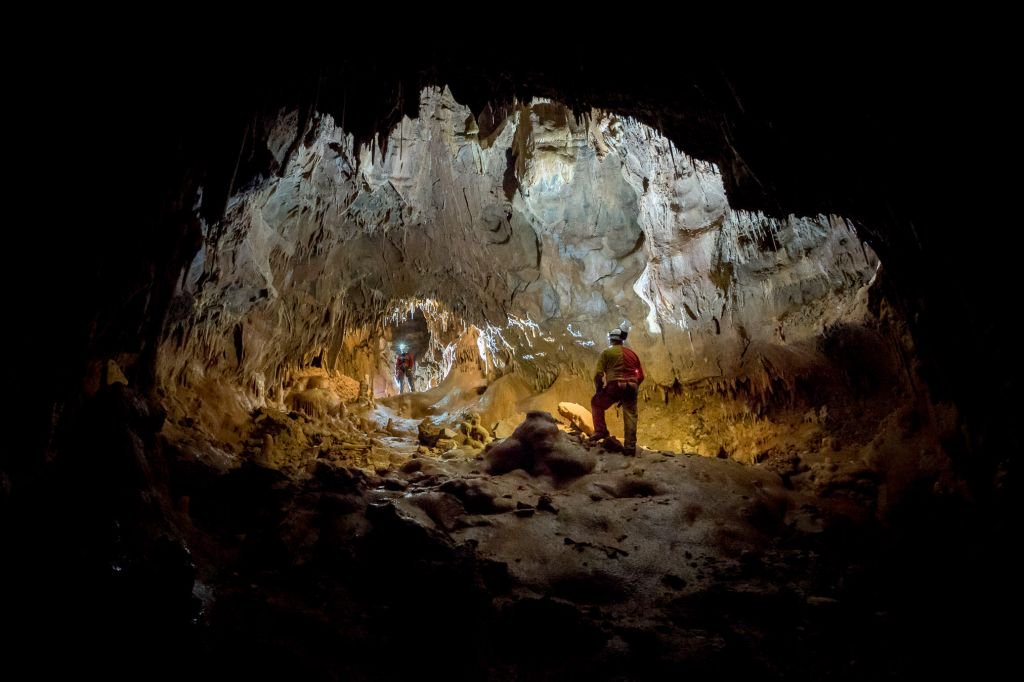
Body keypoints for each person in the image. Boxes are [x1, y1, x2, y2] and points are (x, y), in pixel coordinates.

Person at [590, 326, 644, 456]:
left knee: (596, 403)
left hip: (615, 385)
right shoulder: (632, 354)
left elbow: (598, 375)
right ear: (622, 340)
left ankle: (601, 431)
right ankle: (630, 448)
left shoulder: (607, 353)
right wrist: (633, 388)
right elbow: (641, 376)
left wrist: (599, 390)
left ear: (611, 340)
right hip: (632, 386)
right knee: (630, 415)